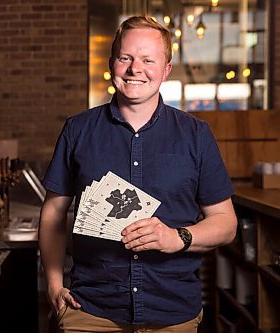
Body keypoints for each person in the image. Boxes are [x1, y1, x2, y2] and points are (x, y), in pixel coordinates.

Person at [38, 16, 237, 333]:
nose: (135, 69)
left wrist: (176, 237)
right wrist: (53, 281)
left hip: (172, 312)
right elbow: (53, 213)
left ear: (166, 69)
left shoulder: (196, 135)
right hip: (89, 311)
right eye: (125, 58)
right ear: (112, 63)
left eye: (148, 60)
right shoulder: (78, 130)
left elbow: (226, 224)